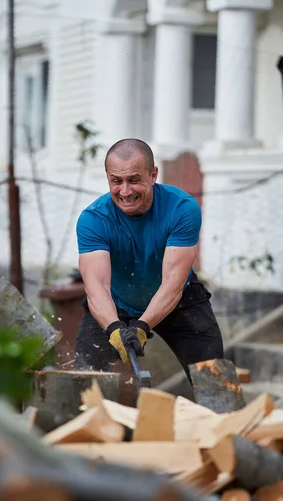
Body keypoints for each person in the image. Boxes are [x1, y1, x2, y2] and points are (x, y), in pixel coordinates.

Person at [74, 138, 223, 381]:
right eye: (116, 181)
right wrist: (113, 329)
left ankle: (222, 417)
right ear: (108, 178)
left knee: (215, 382)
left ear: (153, 175)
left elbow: (172, 283)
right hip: (115, 303)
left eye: (134, 180)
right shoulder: (93, 219)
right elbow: (96, 287)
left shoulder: (182, 209)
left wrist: (142, 327)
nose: (125, 191)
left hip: (178, 299)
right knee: (82, 381)